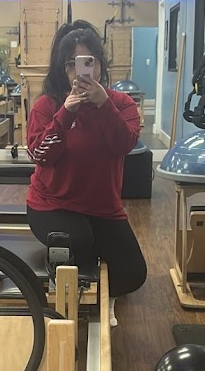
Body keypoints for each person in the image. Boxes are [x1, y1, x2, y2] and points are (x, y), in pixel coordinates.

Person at [26, 26, 147, 327]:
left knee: (134, 273)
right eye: (71, 63)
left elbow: (124, 144)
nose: (79, 71)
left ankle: (102, 293)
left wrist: (104, 104)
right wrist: (65, 114)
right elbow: (40, 154)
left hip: (103, 207)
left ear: (100, 65)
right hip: (52, 204)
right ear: (62, 68)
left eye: (88, 62)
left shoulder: (121, 103)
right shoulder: (47, 106)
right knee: (80, 241)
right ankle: (73, 283)